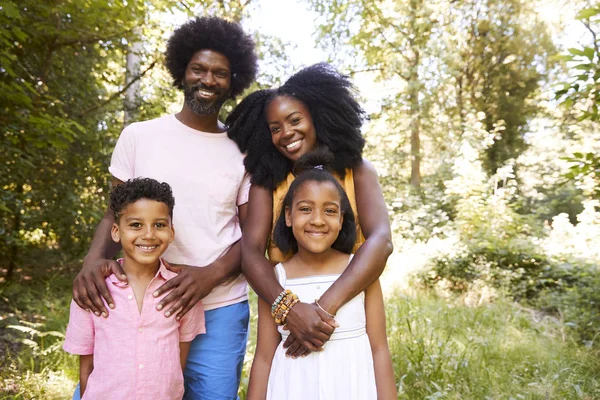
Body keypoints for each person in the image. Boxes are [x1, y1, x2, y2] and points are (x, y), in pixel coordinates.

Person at [71, 16, 258, 399]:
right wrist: (92, 261)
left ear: (233, 80)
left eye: (219, 73)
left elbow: (253, 235)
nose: (207, 80)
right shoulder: (139, 136)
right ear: (182, 70)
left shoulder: (244, 151)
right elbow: (114, 213)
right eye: (198, 69)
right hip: (136, 300)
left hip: (218, 305)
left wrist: (209, 275)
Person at [226, 63, 393, 356]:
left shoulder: (357, 171)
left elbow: (381, 240)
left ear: (316, 117)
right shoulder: (267, 184)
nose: (286, 133)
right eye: (275, 129)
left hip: (350, 306)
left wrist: (321, 310)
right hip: (284, 316)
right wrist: (290, 310)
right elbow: (251, 252)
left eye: (294, 120)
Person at [246, 151, 397, 400]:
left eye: (329, 211)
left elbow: (379, 349)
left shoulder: (361, 274)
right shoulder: (276, 280)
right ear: (287, 215)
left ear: (341, 219)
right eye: (305, 209)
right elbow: (263, 357)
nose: (317, 220)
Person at [64, 178, 206, 399]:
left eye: (159, 224)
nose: (148, 234)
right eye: (136, 225)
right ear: (115, 231)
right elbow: (86, 366)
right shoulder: (93, 291)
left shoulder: (183, 291)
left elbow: (178, 364)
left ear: (171, 232)